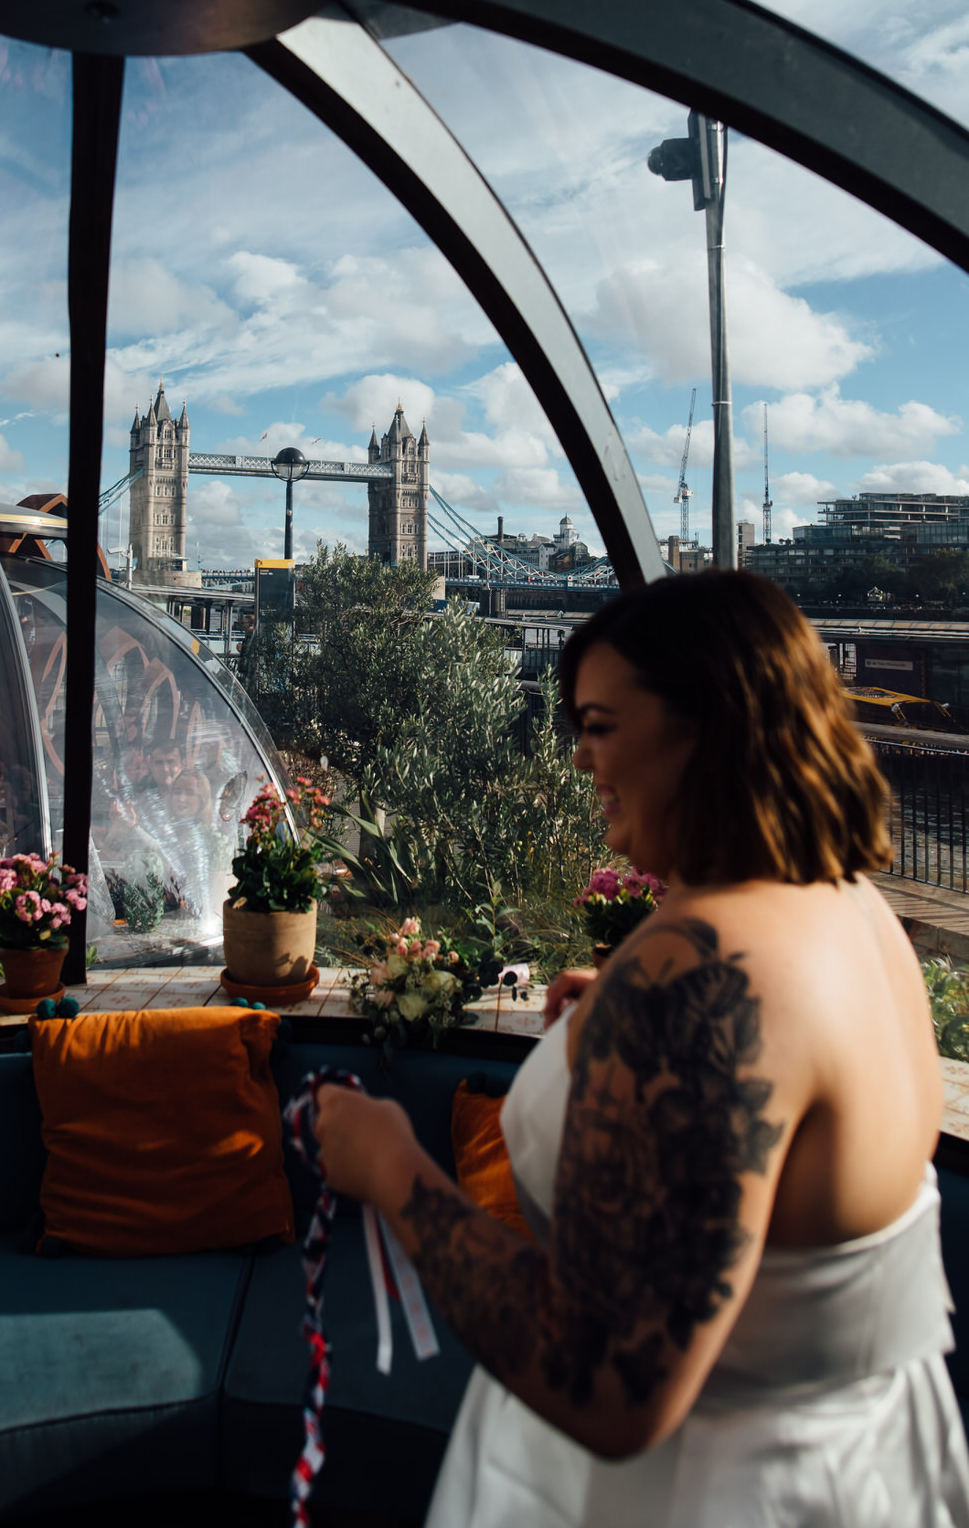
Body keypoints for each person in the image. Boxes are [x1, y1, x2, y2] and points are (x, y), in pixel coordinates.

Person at [316, 570, 969, 1527]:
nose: (580, 758)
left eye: (600, 725)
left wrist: (391, 1167)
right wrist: (617, 1015)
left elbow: (610, 1386)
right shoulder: (848, 911)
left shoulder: (696, 977)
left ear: (704, 725)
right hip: (863, 1465)